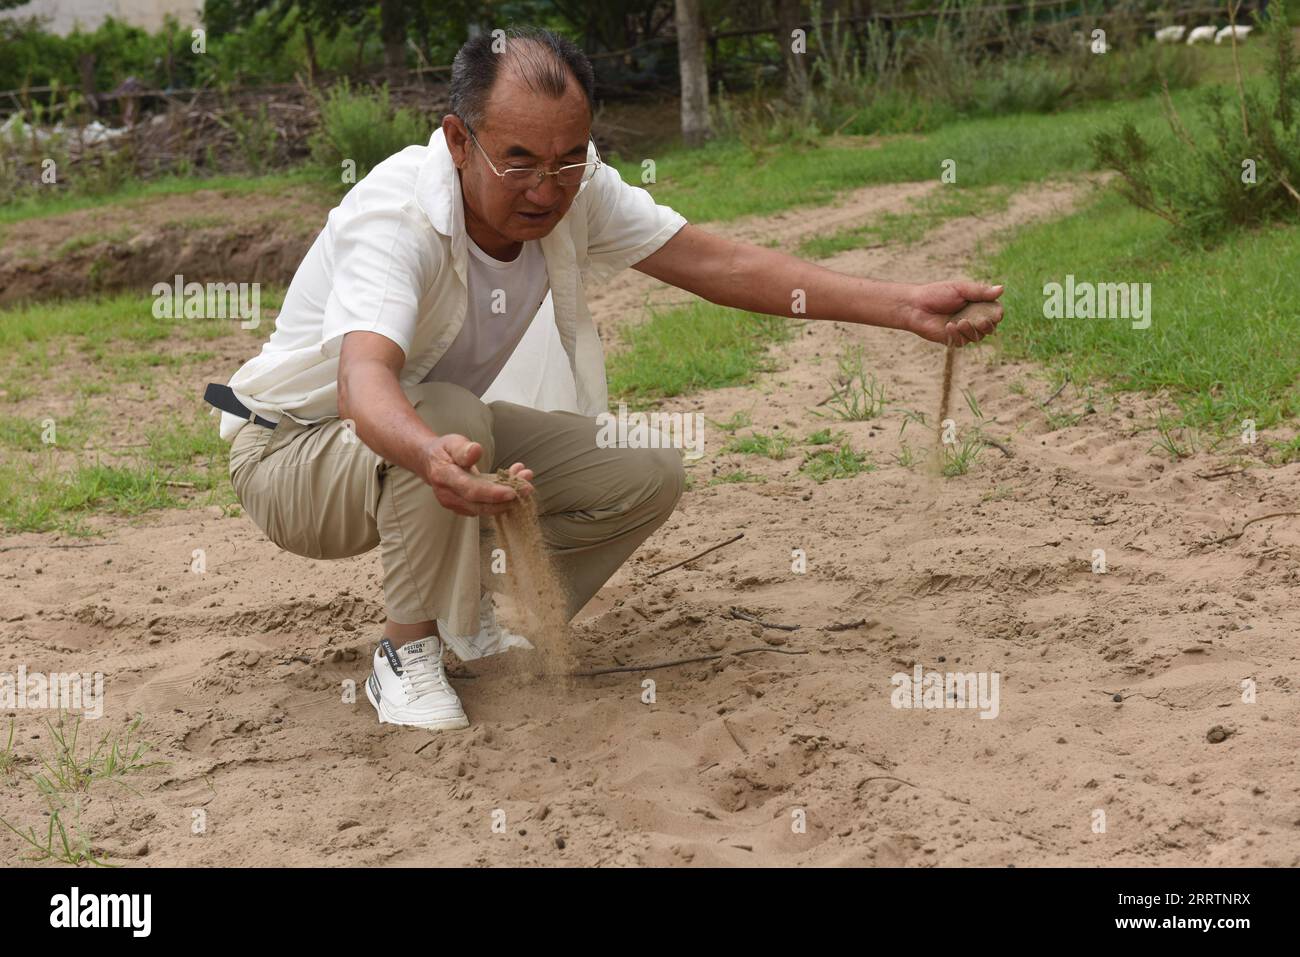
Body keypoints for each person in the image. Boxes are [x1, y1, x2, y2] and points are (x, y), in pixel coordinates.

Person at [208, 26, 1003, 732]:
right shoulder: (398, 219)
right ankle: (405, 655)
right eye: (516, 159)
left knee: (644, 469)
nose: (546, 189)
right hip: (292, 458)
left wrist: (902, 306)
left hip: (432, 440)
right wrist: (427, 452)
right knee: (452, 413)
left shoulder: (578, 190)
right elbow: (362, 384)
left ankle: (492, 624)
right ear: (457, 140)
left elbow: (720, 264)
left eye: (568, 159)